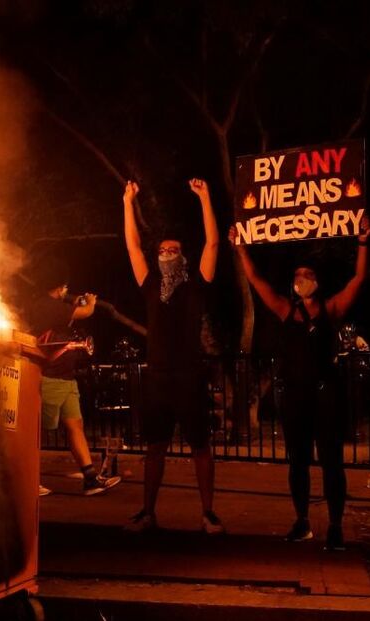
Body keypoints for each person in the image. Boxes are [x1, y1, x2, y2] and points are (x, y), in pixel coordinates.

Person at [230, 217, 370, 551]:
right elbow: (254, 279)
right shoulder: (284, 309)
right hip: (293, 396)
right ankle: (302, 521)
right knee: (298, 463)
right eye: (297, 276)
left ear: (318, 282)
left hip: (325, 395)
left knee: (332, 463)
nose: (301, 280)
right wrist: (240, 246)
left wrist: (363, 241)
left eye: (307, 276)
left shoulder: (331, 308)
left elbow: (359, 278)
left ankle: (335, 526)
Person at [122, 178, 223, 535]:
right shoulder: (149, 284)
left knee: (200, 447)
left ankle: (208, 514)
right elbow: (133, 246)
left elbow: (213, 242)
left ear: (183, 256)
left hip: (190, 376)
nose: (167, 253)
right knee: (155, 448)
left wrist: (205, 198)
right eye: (163, 250)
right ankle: (148, 513)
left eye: (173, 249)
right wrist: (127, 203)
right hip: (158, 377)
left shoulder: (196, 282)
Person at [29, 260, 122, 496]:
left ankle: (90, 478)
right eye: (64, 288)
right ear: (60, 286)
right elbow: (85, 312)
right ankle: (28, 479)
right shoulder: (46, 305)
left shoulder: (52, 305)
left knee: (75, 425)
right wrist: (90, 301)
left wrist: (74, 299)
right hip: (49, 376)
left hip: (65, 377)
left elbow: (69, 311)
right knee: (35, 430)